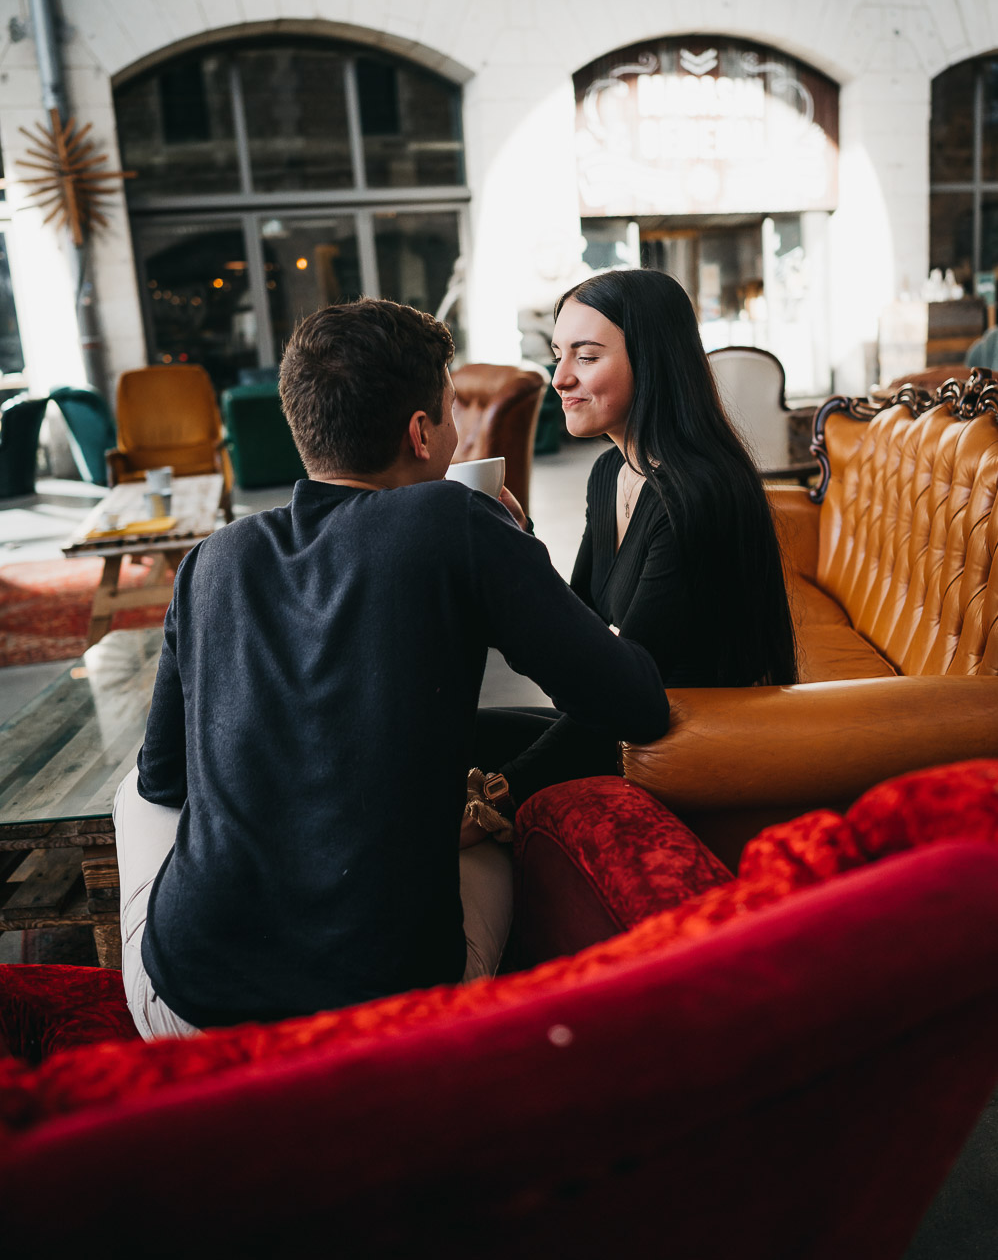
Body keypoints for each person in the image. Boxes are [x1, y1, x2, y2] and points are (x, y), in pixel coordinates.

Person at [113, 298, 670, 1040]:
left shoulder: (213, 558)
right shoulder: (453, 520)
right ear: (420, 432)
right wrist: (514, 546)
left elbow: (165, 781)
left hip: (189, 1006)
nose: (455, 432)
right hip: (391, 1007)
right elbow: (634, 703)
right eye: (450, 412)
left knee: (132, 792)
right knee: (484, 819)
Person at [472, 267, 798, 816]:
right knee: (459, 732)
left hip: (695, 747)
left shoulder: (695, 494)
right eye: (558, 355)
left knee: (470, 759)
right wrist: (517, 535)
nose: (560, 379)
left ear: (652, 360)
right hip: (636, 725)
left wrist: (498, 797)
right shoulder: (612, 472)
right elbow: (580, 631)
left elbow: (617, 692)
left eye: (586, 357)